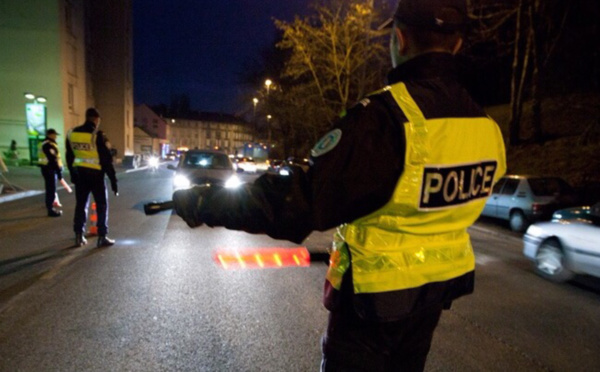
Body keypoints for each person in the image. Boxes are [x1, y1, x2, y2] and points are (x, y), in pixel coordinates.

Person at [171, 0, 507, 370]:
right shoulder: (486, 128)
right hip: (433, 296)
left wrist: (205, 202)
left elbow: (301, 201)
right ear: (457, 45)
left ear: (399, 39)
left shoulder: (385, 119)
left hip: (370, 305)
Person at [66, 108, 118, 248]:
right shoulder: (97, 135)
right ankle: (102, 236)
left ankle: (78, 235)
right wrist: (113, 181)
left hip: (80, 175)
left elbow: (69, 156)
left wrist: (73, 174)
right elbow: (106, 160)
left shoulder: (72, 134)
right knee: (101, 205)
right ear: (96, 119)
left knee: (81, 205)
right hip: (96, 176)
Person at [38, 129, 64, 217]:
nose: (56, 136)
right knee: (51, 190)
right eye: (54, 135)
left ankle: (50, 208)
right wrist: (59, 171)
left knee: (50, 189)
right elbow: (53, 159)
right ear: (50, 135)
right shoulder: (48, 145)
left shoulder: (44, 143)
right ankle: (50, 210)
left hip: (46, 168)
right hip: (50, 169)